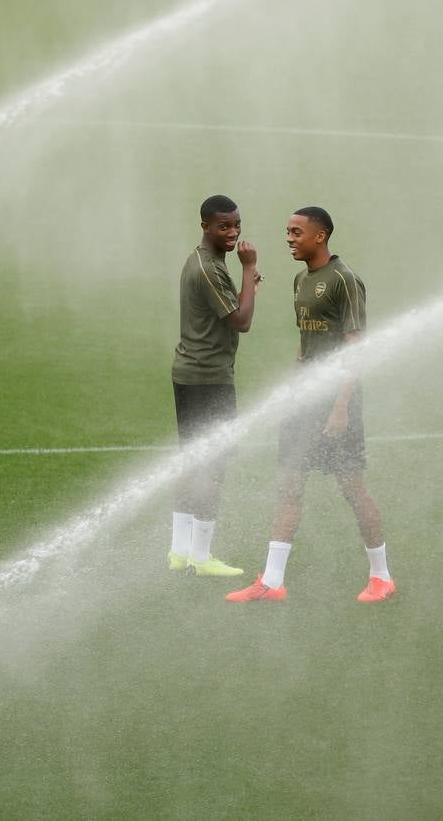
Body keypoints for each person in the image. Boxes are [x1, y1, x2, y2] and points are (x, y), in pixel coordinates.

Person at [228, 206, 396, 603]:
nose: (288, 238)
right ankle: (272, 582)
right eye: (287, 231)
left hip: (340, 402)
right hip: (305, 403)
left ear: (320, 236)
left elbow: (357, 351)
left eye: (296, 232)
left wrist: (340, 407)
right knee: (289, 484)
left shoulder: (345, 280)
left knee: (352, 487)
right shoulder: (300, 280)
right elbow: (306, 347)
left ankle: (382, 578)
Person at [168, 194, 261, 577]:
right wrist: (250, 272)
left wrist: (244, 281)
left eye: (237, 224)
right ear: (205, 225)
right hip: (209, 378)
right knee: (214, 466)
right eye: (224, 226)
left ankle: (179, 551)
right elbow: (241, 321)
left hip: (190, 373)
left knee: (194, 462)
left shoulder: (201, 261)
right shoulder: (209, 269)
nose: (233, 232)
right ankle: (202, 557)